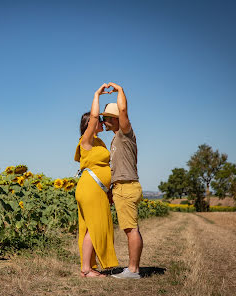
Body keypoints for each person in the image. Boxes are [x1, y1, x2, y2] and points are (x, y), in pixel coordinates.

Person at [74, 83, 119, 278]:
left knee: (91, 227)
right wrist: (97, 95)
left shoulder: (99, 142)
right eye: (98, 119)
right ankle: (86, 268)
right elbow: (93, 117)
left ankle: (88, 267)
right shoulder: (87, 140)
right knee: (94, 227)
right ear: (89, 124)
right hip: (90, 188)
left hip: (97, 189)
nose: (101, 121)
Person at [102, 82, 143, 279]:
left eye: (108, 118)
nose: (105, 121)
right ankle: (133, 268)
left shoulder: (125, 133)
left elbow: (124, 109)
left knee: (130, 229)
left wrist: (119, 90)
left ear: (117, 118)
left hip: (127, 187)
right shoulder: (115, 138)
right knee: (131, 228)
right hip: (122, 187)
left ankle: (133, 270)